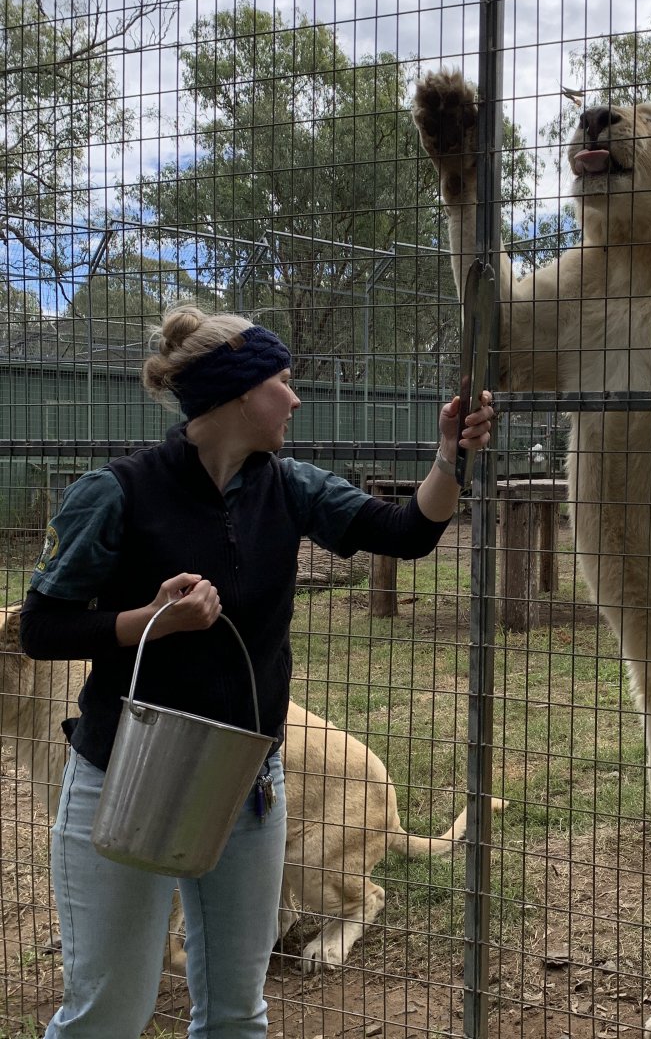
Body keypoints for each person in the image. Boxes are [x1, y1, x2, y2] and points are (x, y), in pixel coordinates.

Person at [20, 304, 495, 1039]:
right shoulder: (116, 494)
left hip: (249, 785)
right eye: (283, 380)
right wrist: (148, 621)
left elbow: (408, 534)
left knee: (238, 1014)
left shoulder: (290, 485)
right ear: (239, 394)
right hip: (123, 774)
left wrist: (446, 457)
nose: (296, 398)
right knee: (107, 1012)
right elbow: (43, 628)